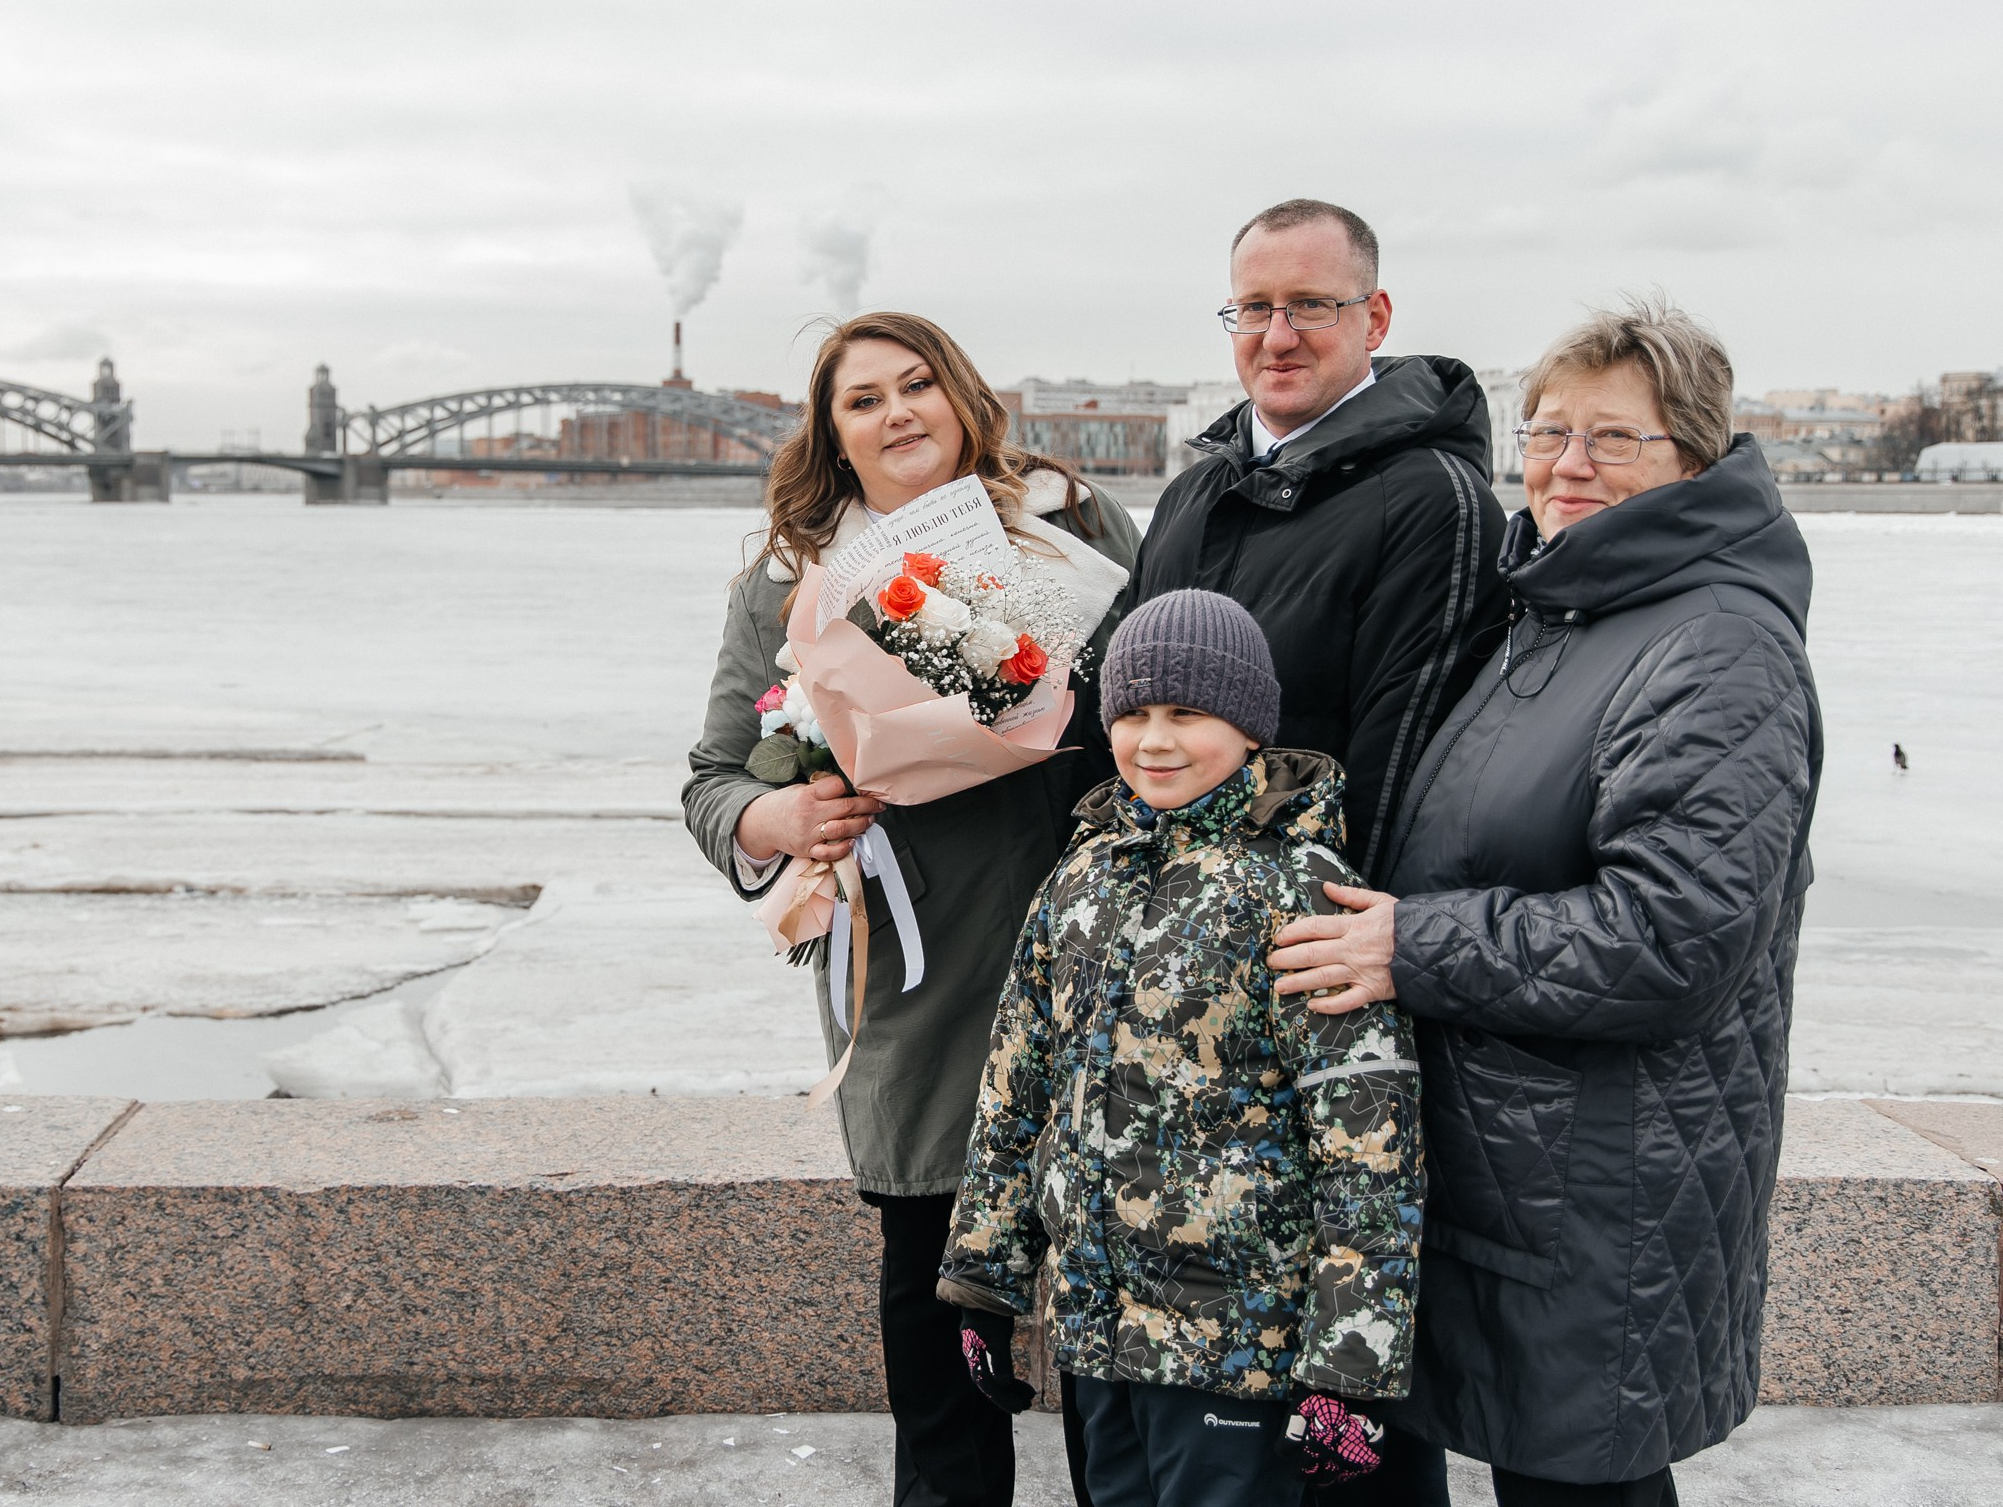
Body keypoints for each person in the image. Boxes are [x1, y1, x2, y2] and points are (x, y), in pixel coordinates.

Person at [1267, 299, 1823, 1506]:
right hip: (1521, 1167)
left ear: (1696, 457)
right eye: (1547, 431)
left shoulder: (1719, 645)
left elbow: (1671, 940)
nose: (1568, 465)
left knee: (1580, 1486)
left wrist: (1411, 944)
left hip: (1604, 1189)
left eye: (1613, 439)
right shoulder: (1554, 610)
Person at [683, 310, 1141, 1507]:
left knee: (1108, 1304)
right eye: (864, 400)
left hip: (1087, 954)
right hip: (913, 977)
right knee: (935, 1302)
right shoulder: (793, 582)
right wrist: (778, 822)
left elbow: (1170, 706)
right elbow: (713, 778)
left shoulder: (1073, 526)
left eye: (917, 386)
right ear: (834, 437)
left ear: (961, 397)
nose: (898, 414)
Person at [938, 589, 1424, 1507]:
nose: (1154, 741)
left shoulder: (1303, 890)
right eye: (1133, 714)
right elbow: (1016, 1090)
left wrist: (1348, 1369)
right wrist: (983, 1278)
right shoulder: (1081, 876)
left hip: (1237, 1344)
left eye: (1187, 714)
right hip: (1095, 1328)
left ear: (1248, 728)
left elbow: (1367, 1144)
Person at [1133, 199, 1509, 892]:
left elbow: (1398, 776)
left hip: (1301, 942)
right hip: (1160, 923)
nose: (1277, 338)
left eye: (1309, 306)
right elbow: (1120, 720)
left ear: (1376, 318)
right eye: (1254, 308)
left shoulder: (1435, 504)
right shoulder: (1189, 497)